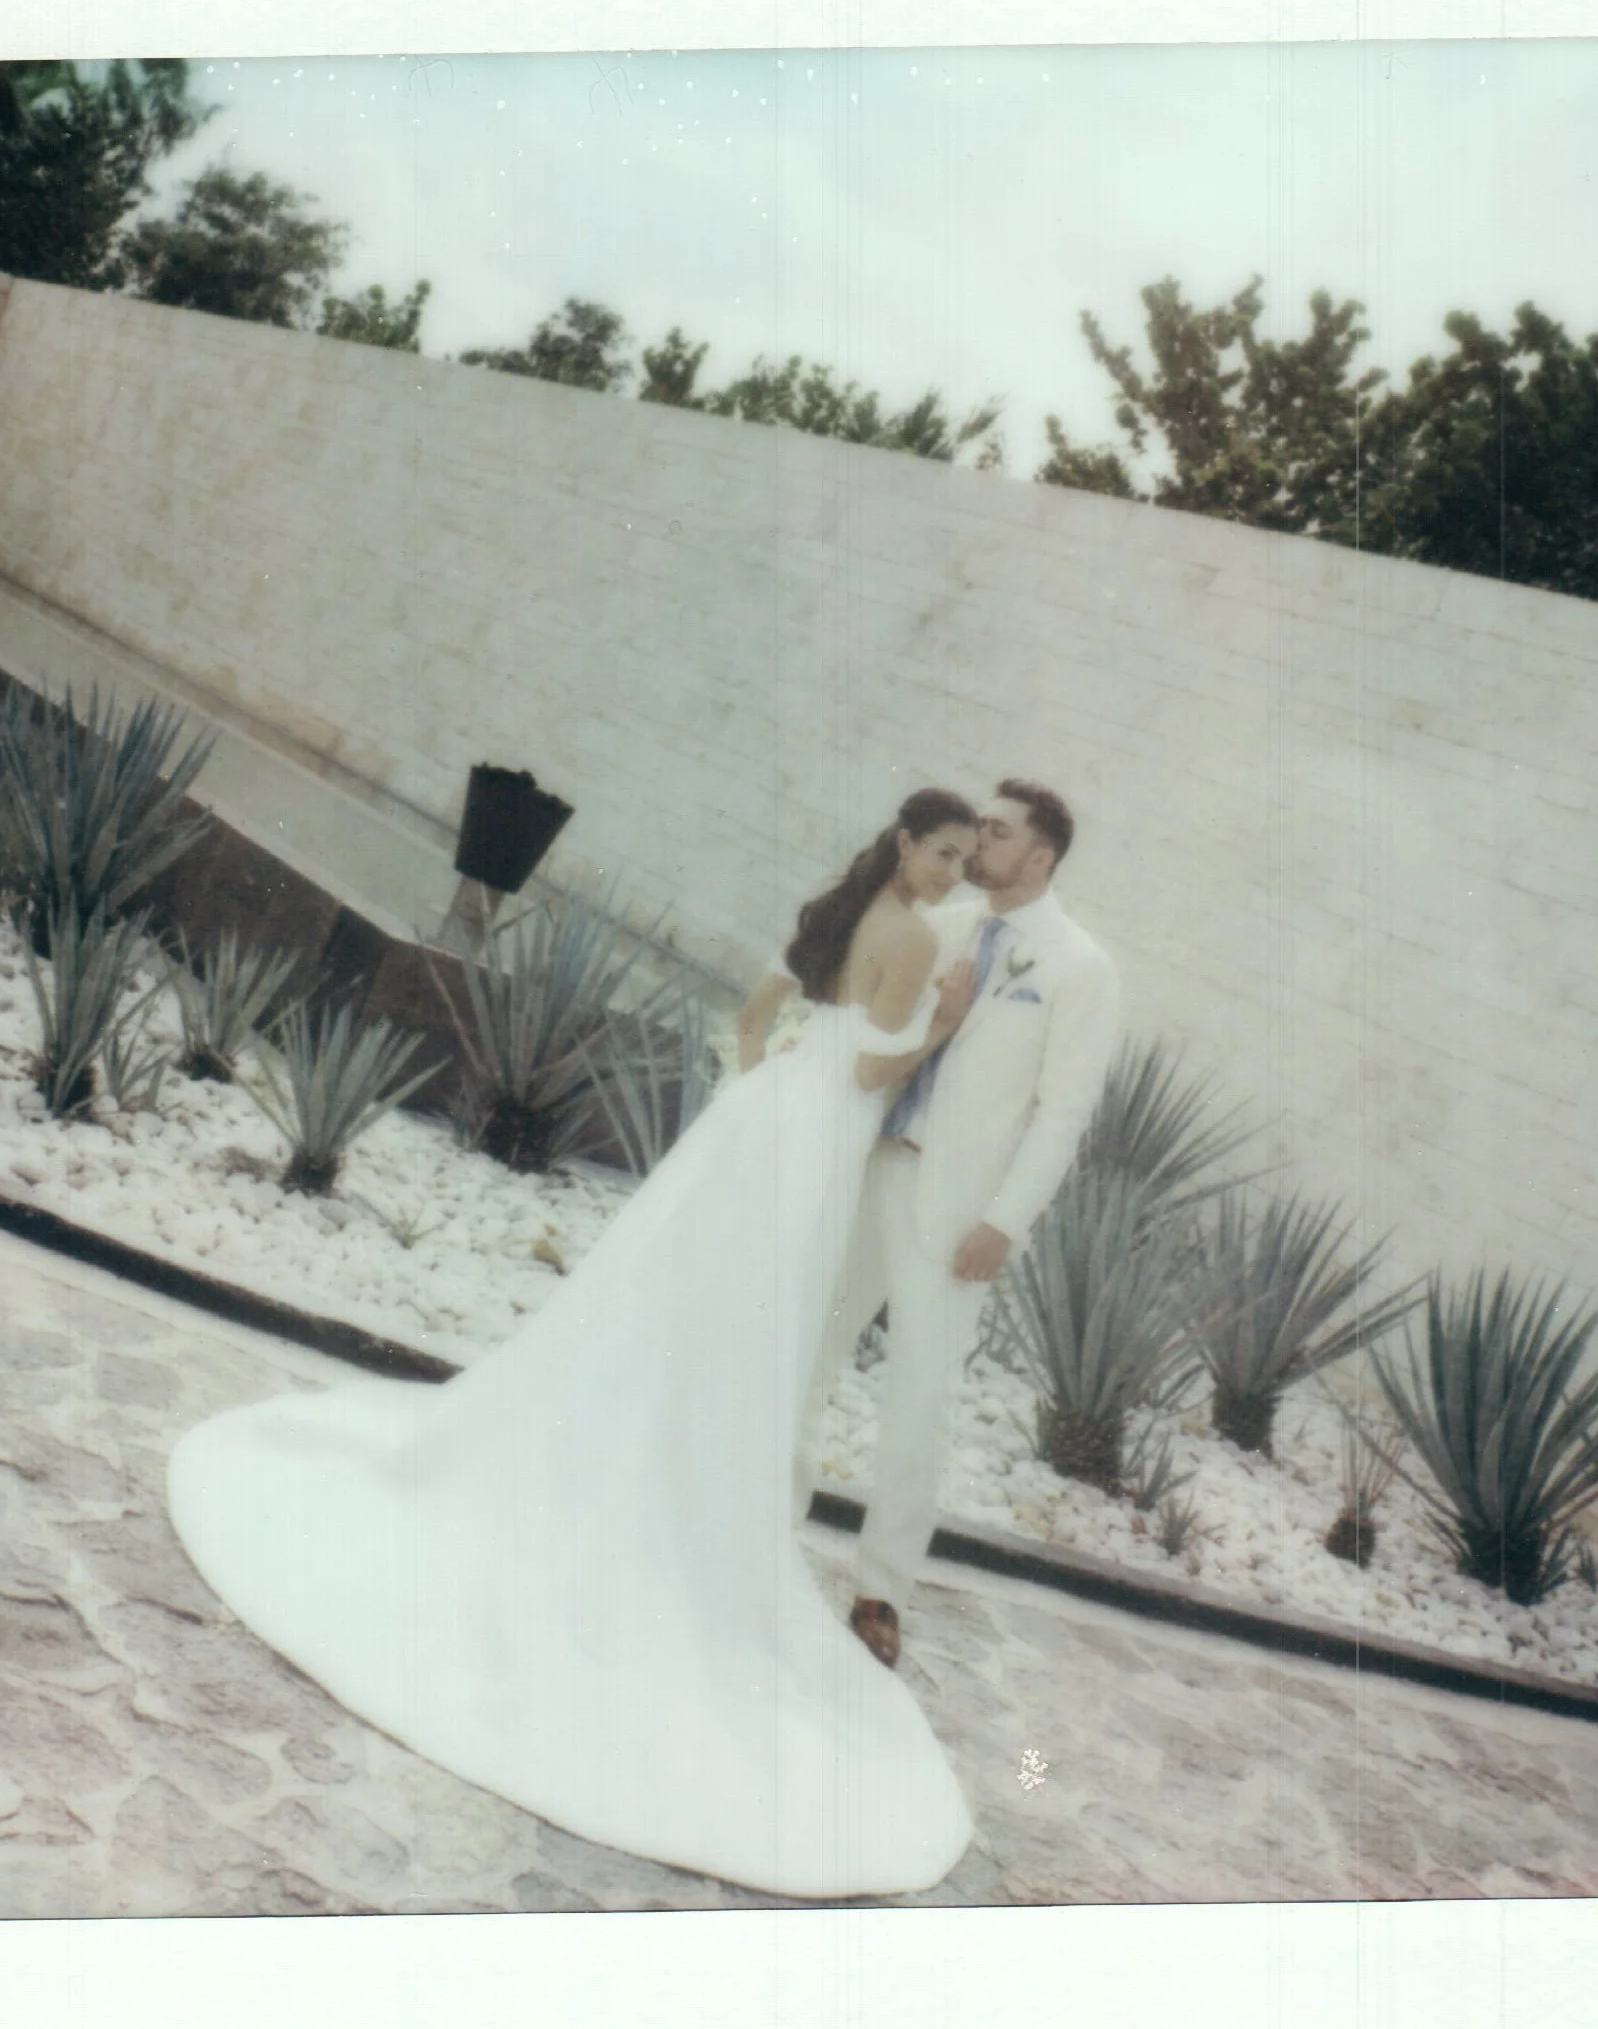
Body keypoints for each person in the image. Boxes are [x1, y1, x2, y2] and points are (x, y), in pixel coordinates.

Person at [167, 789, 985, 1902]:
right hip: (818, 1132)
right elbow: (869, 1072)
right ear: (905, 843)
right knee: (749, 1315)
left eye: (962, 860)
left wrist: (763, 1073)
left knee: (684, 1292)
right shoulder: (913, 938)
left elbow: (760, 1015)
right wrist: (942, 1024)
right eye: (943, 853)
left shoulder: (840, 910)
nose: (951, 874)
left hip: (763, 1118)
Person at [770, 781, 1123, 1670]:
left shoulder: (1079, 967)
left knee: (917, 1401)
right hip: (871, 1170)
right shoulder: (946, 923)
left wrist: (1003, 1221)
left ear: (1039, 858)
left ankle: (880, 1589)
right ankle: (766, 1528)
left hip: (958, 1210)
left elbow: (1062, 1114)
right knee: (808, 1349)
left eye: (995, 834)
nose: (975, 845)